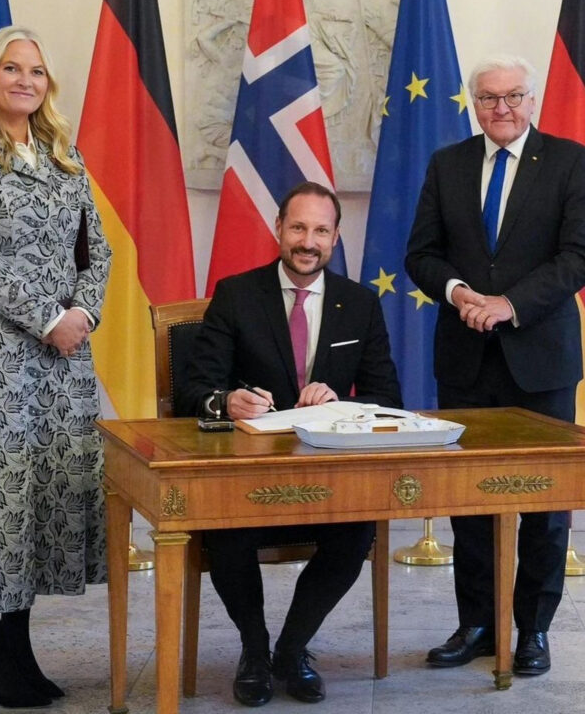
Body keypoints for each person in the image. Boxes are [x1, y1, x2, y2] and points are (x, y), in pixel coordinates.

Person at [182, 181, 401, 706]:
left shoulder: (360, 303)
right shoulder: (237, 294)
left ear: (335, 238)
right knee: (225, 531)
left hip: (328, 478)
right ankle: (254, 650)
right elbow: (193, 389)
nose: (308, 241)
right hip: (248, 477)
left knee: (357, 532)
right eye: (298, 227)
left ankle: (292, 647)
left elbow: (387, 396)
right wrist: (227, 401)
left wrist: (341, 401)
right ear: (278, 228)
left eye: (321, 231)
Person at [0, 25, 112, 708]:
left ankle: (12, 649)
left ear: (49, 84)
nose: (25, 80)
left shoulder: (64, 155)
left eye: (36, 71)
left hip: (63, 361)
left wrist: (84, 313)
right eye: (12, 68)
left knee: (39, 499)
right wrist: (47, 317)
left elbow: (98, 250)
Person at [405, 55, 585, 676]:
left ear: (532, 100)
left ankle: (533, 629)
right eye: (488, 98)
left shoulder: (570, 161)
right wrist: (459, 293)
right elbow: (421, 255)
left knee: (544, 503)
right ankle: (478, 623)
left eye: (512, 96)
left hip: (542, 359)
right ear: (473, 104)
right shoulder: (447, 164)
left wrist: (510, 305)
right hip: (466, 358)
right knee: (470, 499)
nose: (501, 108)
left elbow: (577, 257)